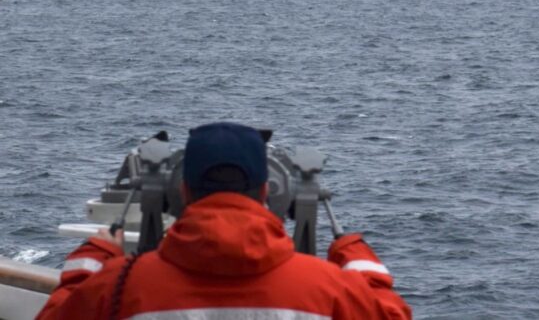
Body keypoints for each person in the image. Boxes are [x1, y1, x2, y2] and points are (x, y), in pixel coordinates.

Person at [37, 122, 411, 319]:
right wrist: (359, 262)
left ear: (181, 191)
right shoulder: (329, 291)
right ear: (267, 192)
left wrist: (91, 260)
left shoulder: (118, 287)